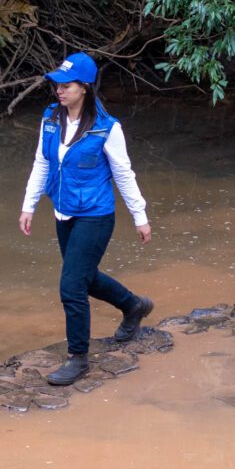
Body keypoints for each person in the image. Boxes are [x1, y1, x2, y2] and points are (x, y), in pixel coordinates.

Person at [18, 52, 155, 387]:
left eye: (66, 86)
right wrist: (29, 204)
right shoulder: (50, 118)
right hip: (63, 212)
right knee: (84, 278)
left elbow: (124, 174)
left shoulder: (107, 128)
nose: (59, 91)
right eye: (56, 85)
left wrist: (140, 216)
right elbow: (42, 163)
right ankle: (134, 305)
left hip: (95, 215)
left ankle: (78, 357)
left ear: (85, 87)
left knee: (71, 287)